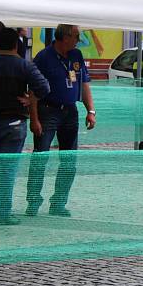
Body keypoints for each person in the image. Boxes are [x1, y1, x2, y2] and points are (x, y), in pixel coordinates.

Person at [26, 24, 96, 217]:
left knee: (69, 160)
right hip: (47, 110)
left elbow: (84, 83)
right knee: (40, 158)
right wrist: (34, 118)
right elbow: (33, 91)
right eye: (76, 36)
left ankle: (58, 202)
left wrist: (90, 110)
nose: (78, 40)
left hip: (70, 112)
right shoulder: (43, 57)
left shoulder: (76, 55)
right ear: (65, 37)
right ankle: (33, 202)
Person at [0, 29, 50, 225]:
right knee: (8, 171)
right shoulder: (24, 65)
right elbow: (44, 87)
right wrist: (30, 98)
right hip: (14, 124)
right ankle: (2, 213)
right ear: (16, 45)